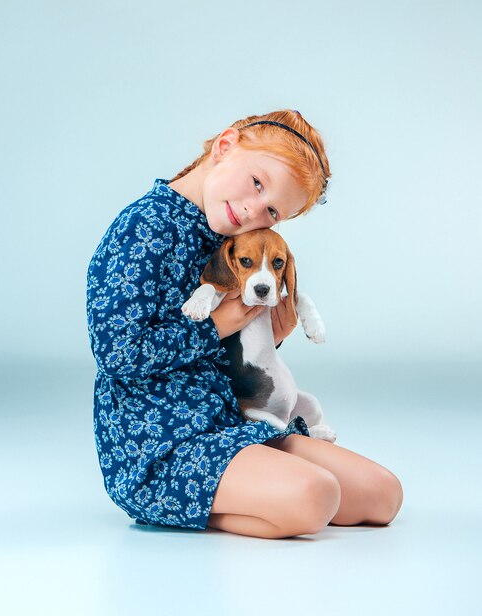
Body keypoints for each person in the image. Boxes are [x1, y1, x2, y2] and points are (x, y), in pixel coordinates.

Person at [86, 109, 403, 539]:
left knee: (382, 496)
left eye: (272, 210)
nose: (255, 208)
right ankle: (160, 503)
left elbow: (228, 357)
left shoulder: (231, 238)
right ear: (224, 146)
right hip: (160, 442)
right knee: (316, 498)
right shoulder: (144, 229)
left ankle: (260, 494)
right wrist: (217, 324)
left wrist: (268, 337)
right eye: (257, 183)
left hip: (230, 423)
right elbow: (118, 354)